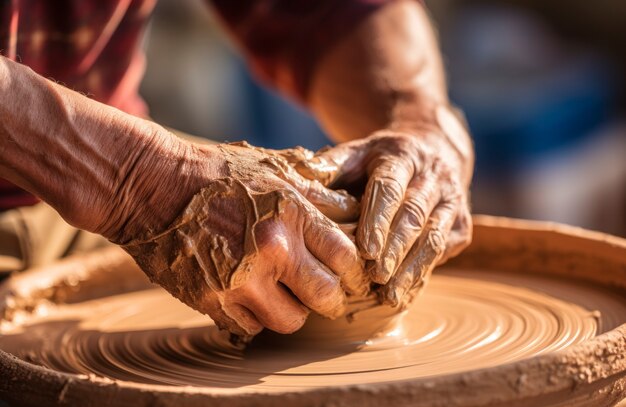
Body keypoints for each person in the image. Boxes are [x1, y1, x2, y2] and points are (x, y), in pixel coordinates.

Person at [0, 0, 473, 337]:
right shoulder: (133, 178)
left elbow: (327, 12)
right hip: (78, 167)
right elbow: (143, 181)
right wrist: (140, 184)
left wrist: (416, 114)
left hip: (103, 147)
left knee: (282, 227)